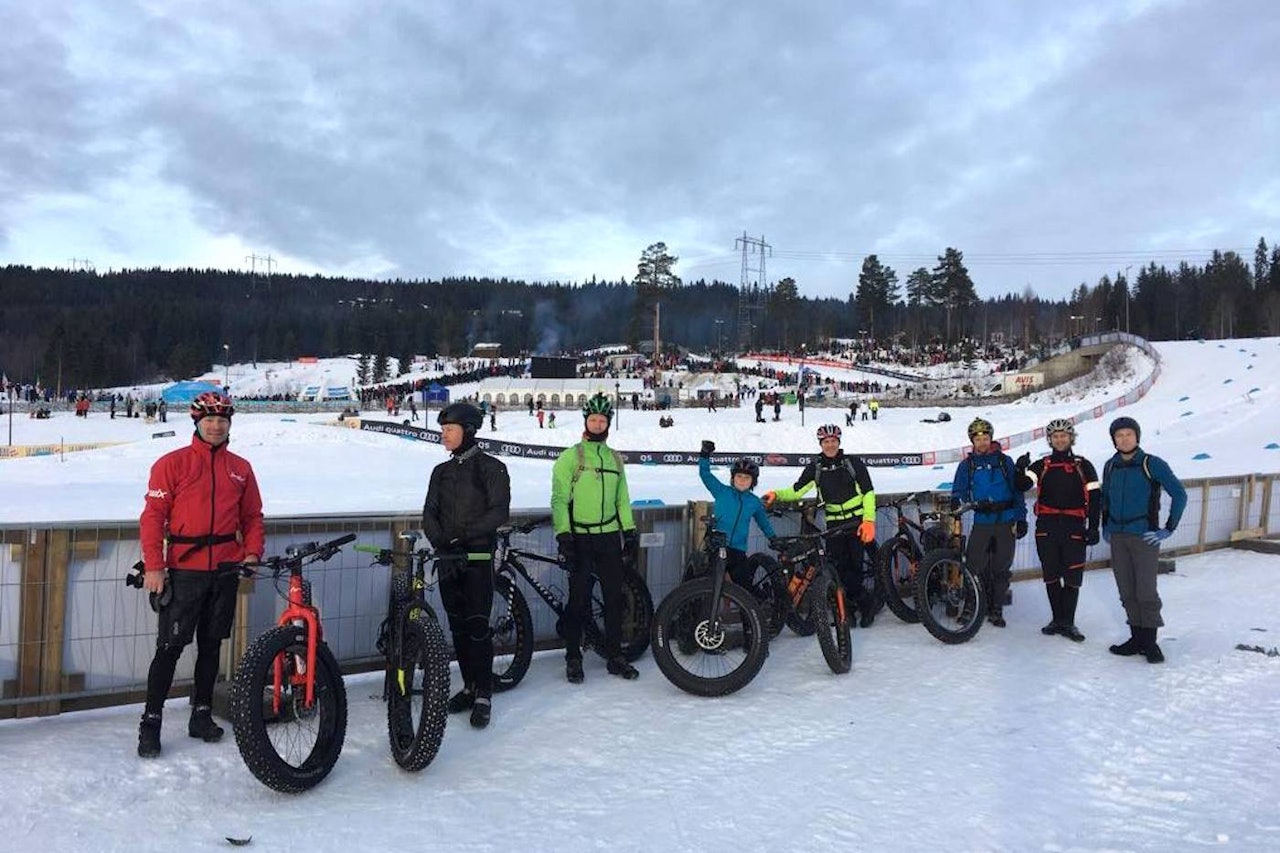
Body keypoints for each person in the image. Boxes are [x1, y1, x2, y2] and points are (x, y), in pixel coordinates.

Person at [136, 391, 264, 758]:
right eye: (209, 419)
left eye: (222, 420)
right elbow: (153, 517)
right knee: (169, 648)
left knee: (212, 646)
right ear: (196, 422)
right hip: (184, 569)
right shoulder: (172, 464)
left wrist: (252, 552)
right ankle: (151, 722)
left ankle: (201, 714)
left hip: (224, 569)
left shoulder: (240, 467)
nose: (216, 426)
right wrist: (154, 565)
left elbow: (252, 516)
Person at [421, 402, 511, 727]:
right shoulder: (440, 472)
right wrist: (441, 542)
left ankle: (484, 692)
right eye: (443, 429)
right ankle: (469, 686)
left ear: (468, 431)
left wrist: (462, 536)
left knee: (477, 625)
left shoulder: (492, 468)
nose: (443, 435)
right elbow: (429, 512)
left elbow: (498, 512)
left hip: (477, 558)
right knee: (457, 625)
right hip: (448, 559)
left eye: (449, 429)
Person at [551, 393, 640, 682]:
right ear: (586, 421)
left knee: (614, 599)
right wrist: (564, 534)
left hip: (608, 538)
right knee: (578, 601)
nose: (598, 424)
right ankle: (573, 657)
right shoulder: (570, 456)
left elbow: (622, 499)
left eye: (603, 420)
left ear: (608, 423)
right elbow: (559, 499)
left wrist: (629, 531)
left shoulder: (615, 458)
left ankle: (615, 656)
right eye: (593, 419)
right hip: (580, 539)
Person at [762, 424, 879, 626]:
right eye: (826, 442)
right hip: (833, 524)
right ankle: (847, 610)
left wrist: (869, 520)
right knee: (838, 570)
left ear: (839, 442)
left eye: (833, 441)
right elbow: (796, 491)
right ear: (821, 444)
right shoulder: (815, 468)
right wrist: (777, 494)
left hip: (856, 522)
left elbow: (868, 492)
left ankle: (866, 604)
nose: (830, 445)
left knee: (855, 568)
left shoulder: (853, 463)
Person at [1099, 416, 1187, 664]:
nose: (1124, 439)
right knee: (1126, 589)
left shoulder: (1152, 464)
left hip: (1144, 536)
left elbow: (1179, 494)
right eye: (1119, 435)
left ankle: (1150, 643)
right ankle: (1136, 638)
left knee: (1145, 590)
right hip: (1117, 536)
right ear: (1114, 440)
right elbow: (1106, 498)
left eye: (1128, 434)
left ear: (1137, 437)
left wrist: (1168, 528)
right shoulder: (1110, 466)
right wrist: (1105, 525)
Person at [1015, 418, 1101, 642]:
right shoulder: (1042, 465)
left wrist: (1093, 527)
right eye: (1055, 436)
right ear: (1050, 440)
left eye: (1064, 436)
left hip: (1074, 526)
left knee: (1073, 575)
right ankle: (1057, 620)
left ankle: (1068, 622)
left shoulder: (1084, 465)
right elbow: (1022, 484)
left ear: (1071, 438)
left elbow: (1095, 498)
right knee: (1051, 574)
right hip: (1047, 527)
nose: (1060, 439)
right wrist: (1020, 467)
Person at [950, 417, 1027, 628]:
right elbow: (959, 490)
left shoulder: (1004, 462)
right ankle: (972, 606)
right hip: (982, 520)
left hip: (1006, 520)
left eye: (986, 438)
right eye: (978, 439)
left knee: (1002, 568)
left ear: (991, 439)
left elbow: (1017, 492)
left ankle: (997, 608)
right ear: (972, 442)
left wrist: (1021, 518)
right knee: (973, 565)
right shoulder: (967, 465)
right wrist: (959, 500)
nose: (982, 442)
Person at [697, 441, 776, 591]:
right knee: (709, 586)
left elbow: (763, 522)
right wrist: (705, 454)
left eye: (747, 478)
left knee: (745, 589)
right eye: (739, 476)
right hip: (717, 548)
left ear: (753, 481)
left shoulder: (754, 502)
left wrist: (773, 538)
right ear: (733, 478)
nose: (742, 480)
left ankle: (750, 612)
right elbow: (705, 474)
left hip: (738, 551)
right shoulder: (721, 491)